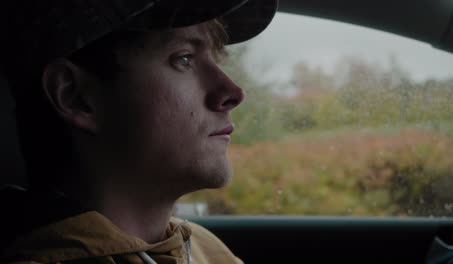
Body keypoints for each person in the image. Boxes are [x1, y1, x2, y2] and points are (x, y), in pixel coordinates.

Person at [0, 0, 277, 263]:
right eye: (184, 59)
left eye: (216, 59)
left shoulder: (203, 248)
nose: (233, 92)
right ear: (75, 96)